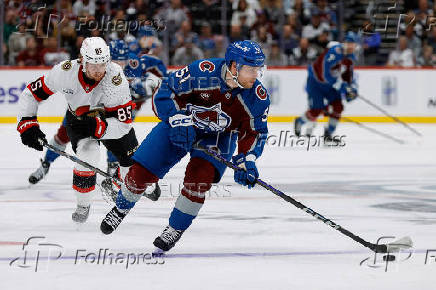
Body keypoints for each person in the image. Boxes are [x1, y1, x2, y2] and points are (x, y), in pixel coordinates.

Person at [100, 40, 270, 254]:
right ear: (235, 66)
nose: (256, 75)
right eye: (251, 69)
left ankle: (174, 229)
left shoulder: (257, 97)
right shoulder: (202, 71)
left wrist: (248, 159)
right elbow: (165, 92)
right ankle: (120, 208)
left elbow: (254, 132)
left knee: (198, 183)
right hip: (180, 124)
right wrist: (177, 118)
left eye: (258, 69)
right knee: (141, 173)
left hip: (217, 138)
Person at [17, 37, 138, 223]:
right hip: (79, 120)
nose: (99, 71)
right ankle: (83, 204)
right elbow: (31, 94)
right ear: (82, 60)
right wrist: (27, 124)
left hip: (111, 122)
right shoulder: (64, 72)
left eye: (102, 65)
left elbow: (124, 124)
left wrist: (99, 127)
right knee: (88, 156)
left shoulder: (116, 78)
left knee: (133, 167)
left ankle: (139, 184)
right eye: (93, 65)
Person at [294, 32, 358, 140]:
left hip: (330, 85)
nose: (350, 45)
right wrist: (341, 86)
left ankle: (328, 134)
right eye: (348, 42)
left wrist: (351, 90)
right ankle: (299, 121)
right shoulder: (335, 51)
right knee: (316, 110)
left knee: (338, 106)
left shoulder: (350, 58)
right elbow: (325, 74)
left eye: (353, 43)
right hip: (316, 82)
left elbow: (348, 78)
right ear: (344, 43)